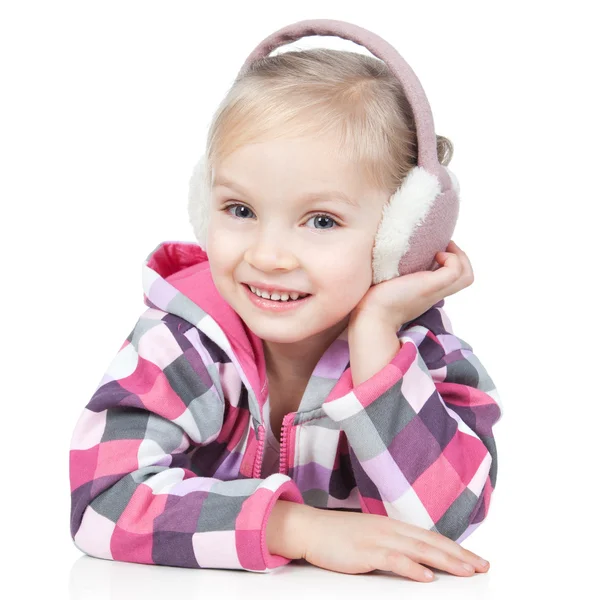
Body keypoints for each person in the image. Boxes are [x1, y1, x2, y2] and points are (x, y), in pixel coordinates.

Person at [69, 21, 503, 583]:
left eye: (321, 220)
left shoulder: (427, 355)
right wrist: (297, 528)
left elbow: (446, 525)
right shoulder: (179, 339)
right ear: (205, 204)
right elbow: (102, 503)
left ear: (404, 235)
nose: (269, 255)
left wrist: (376, 344)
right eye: (240, 210)